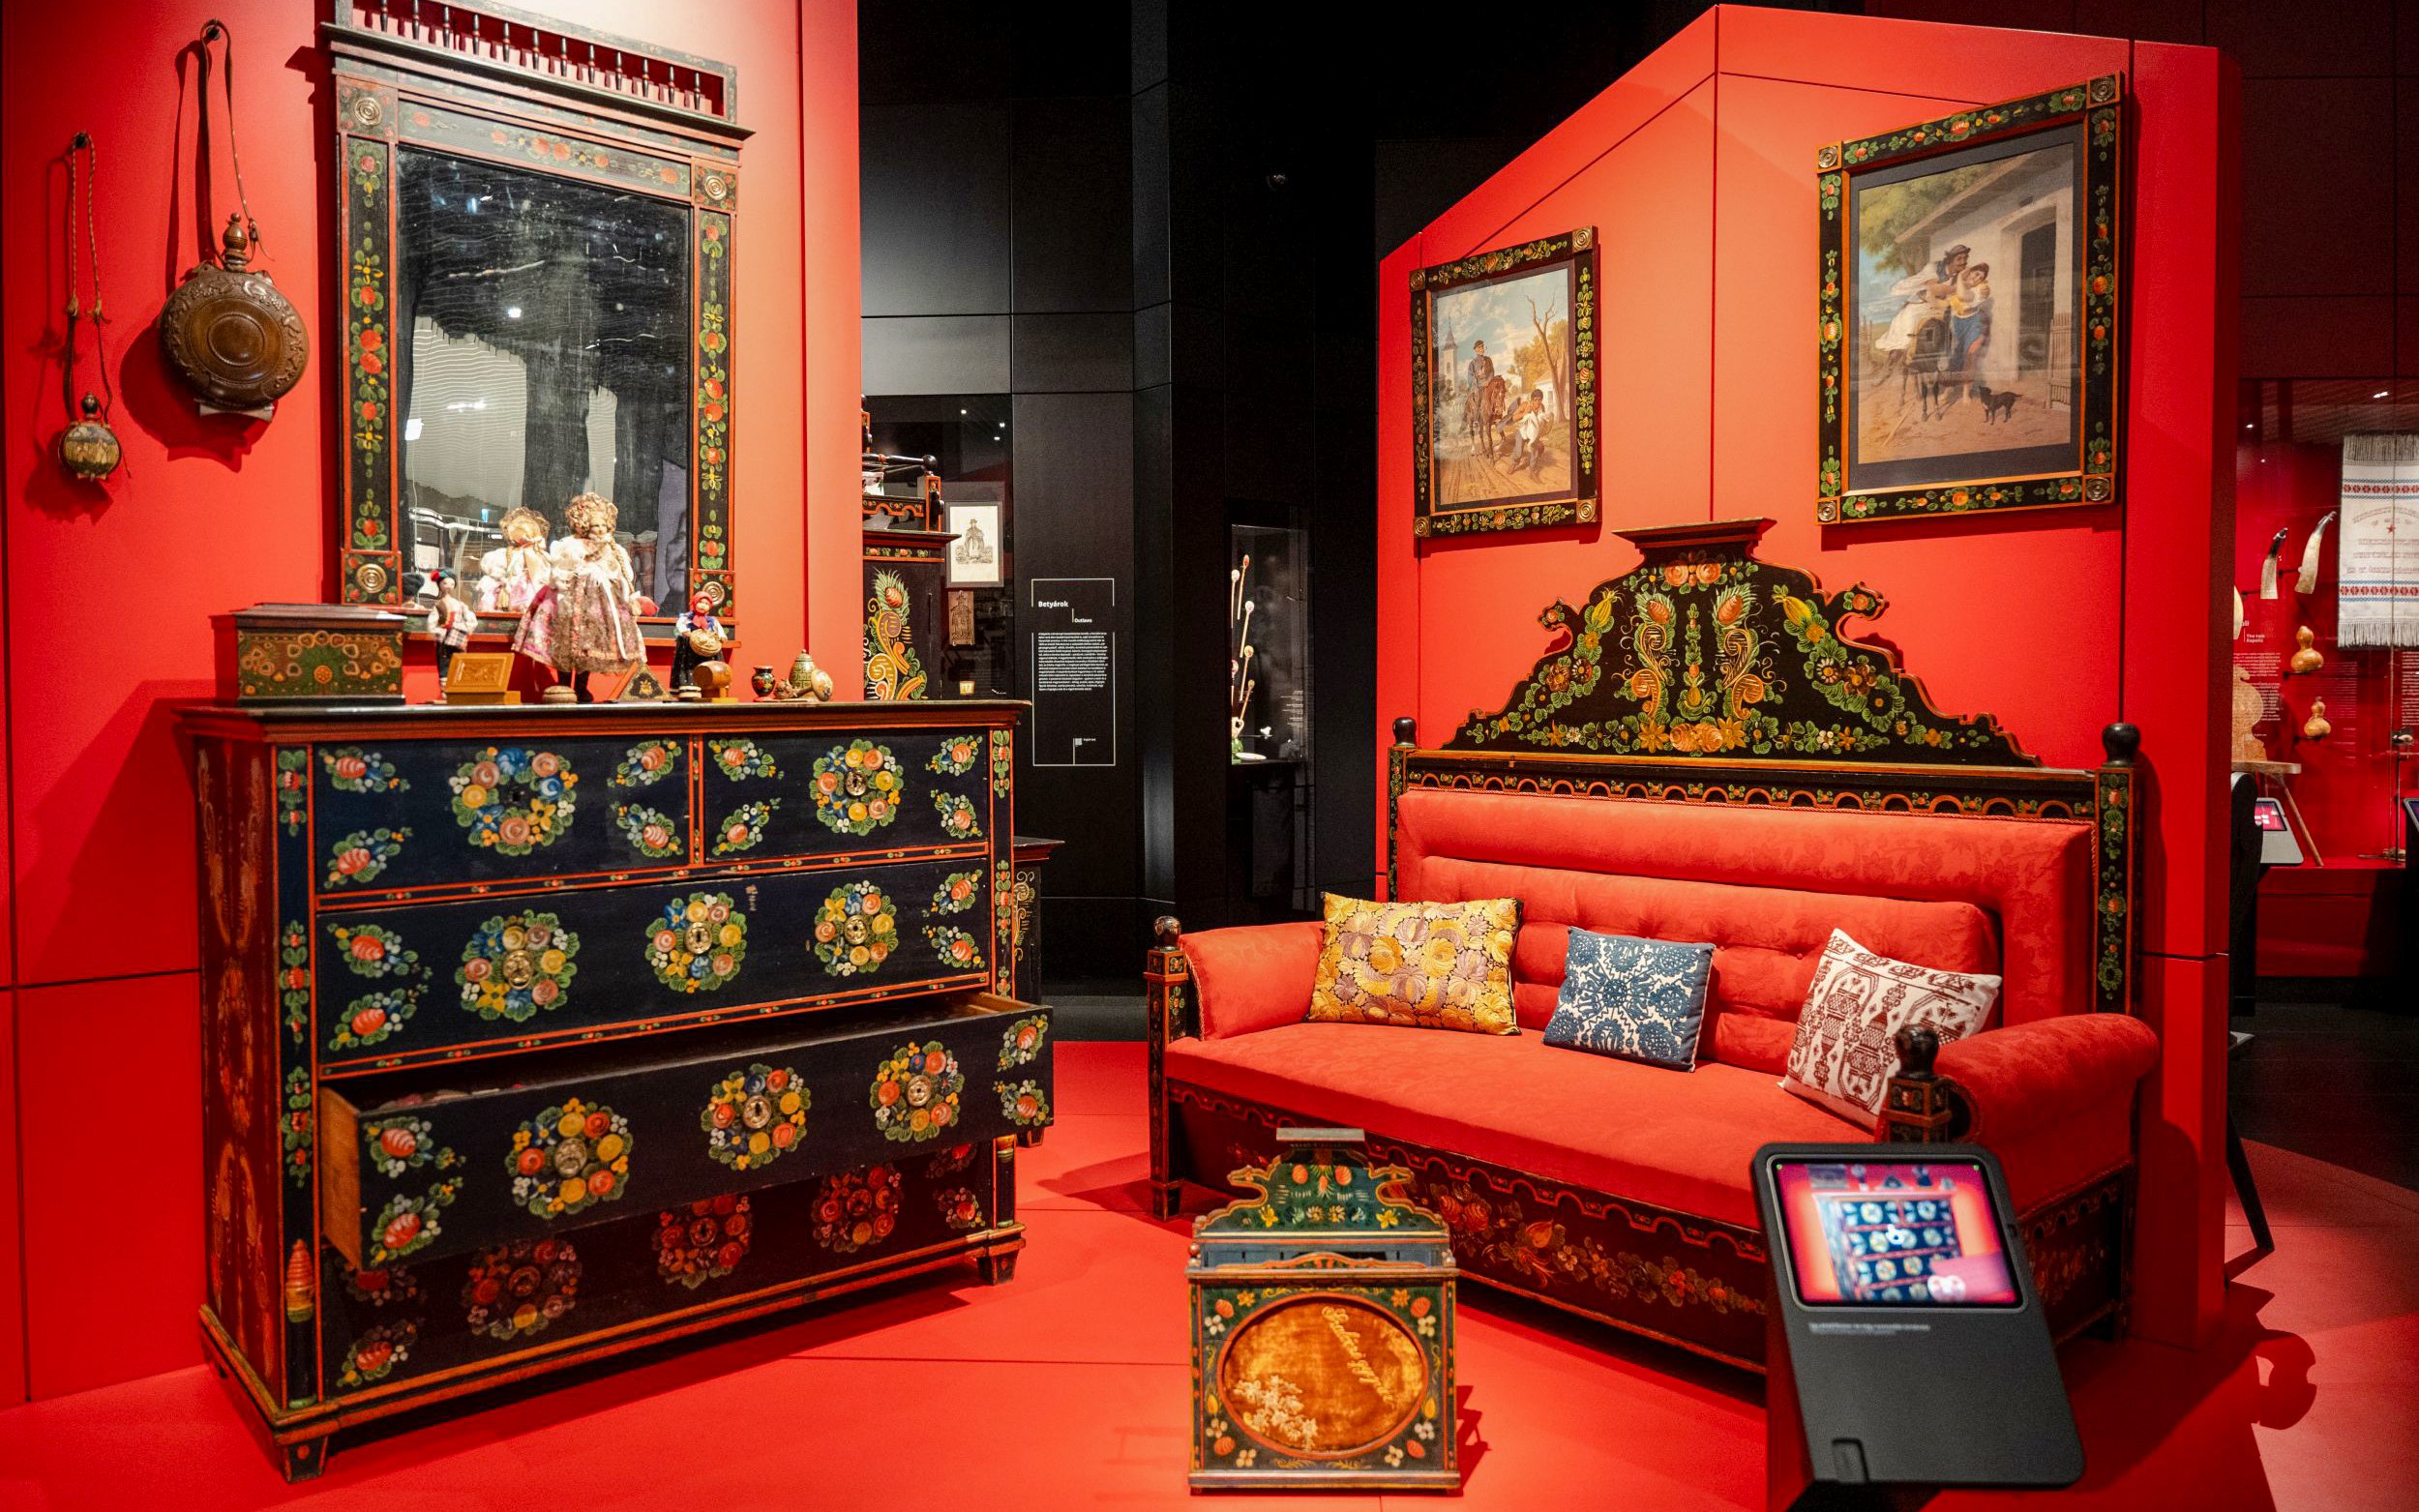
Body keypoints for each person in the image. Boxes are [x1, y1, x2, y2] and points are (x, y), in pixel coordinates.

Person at [513, 491, 651, 701]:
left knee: (589, 645)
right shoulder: (572, 545)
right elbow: (562, 567)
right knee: (566, 641)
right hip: (570, 598)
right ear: (585, 525)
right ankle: (563, 684)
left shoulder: (611, 548)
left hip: (600, 600)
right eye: (596, 525)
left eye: (604, 525)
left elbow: (621, 573)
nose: (601, 529)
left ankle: (581, 686)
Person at [1872, 243, 1969, 358]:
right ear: (1950, 260)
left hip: (1938, 307)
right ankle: (1896, 360)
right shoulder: (1934, 267)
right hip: (1920, 304)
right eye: (1959, 259)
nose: (1963, 262)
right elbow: (1934, 289)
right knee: (1906, 329)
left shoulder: (1961, 274)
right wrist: (1955, 288)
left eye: (1965, 258)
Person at [424, 569, 478, 695]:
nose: (448, 586)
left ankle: (457, 690)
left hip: (458, 639)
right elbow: (431, 624)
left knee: (459, 662)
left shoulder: (460, 605)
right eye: (445, 583)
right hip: (444, 641)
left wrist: (460, 628)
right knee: (444, 664)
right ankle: (445, 691)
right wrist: (442, 631)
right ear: (439, 585)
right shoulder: (438, 605)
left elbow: (471, 621)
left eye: (452, 584)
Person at [1947, 261, 1992, 382]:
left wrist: (1960, 277)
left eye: (1980, 278)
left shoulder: (1982, 289)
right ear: (1970, 272)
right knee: (1956, 356)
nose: (1977, 279)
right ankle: (1950, 387)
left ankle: (1966, 390)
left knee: (1969, 356)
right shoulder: (1961, 285)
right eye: (1976, 274)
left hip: (1973, 322)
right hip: (1957, 321)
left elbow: (1963, 296)